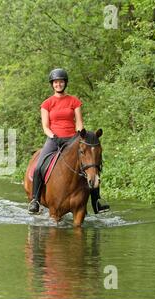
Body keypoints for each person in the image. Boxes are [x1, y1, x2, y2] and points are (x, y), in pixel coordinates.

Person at [28, 68, 110, 214]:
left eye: (61, 82)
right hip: (54, 139)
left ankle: (96, 201)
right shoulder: (46, 104)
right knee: (39, 166)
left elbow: (79, 122)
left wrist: (80, 135)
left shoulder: (74, 101)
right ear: (52, 84)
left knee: (91, 166)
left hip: (73, 139)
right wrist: (53, 137)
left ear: (65, 83)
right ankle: (35, 200)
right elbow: (45, 126)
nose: (58, 84)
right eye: (55, 82)